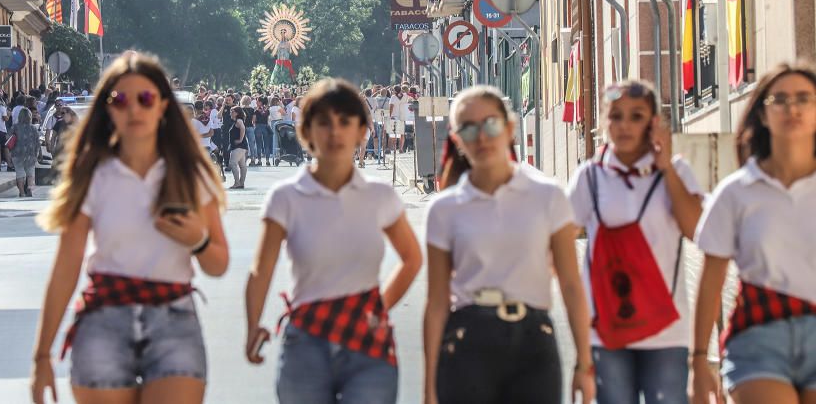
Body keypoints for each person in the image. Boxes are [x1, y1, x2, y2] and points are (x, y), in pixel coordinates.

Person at [30, 52, 229, 404]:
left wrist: (196, 239)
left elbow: (218, 264)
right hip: (104, 317)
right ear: (107, 109)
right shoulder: (92, 175)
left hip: (174, 319)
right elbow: (66, 267)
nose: (133, 109)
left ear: (163, 106)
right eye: (119, 99)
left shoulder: (191, 174)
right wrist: (42, 355)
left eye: (146, 98)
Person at [245, 79, 422, 403]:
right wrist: (253, 325)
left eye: (345, 122)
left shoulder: (379, 197)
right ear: (307, 132)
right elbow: (262, 269)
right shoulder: (285, 198)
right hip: (306, 339)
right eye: (323, 123)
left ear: (361, 131)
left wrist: (379, 308)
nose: (335, 132)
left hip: (369, 341)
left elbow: (412, 258)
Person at [424, 86, 594, 404]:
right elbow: (435, 302)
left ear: (509, 129)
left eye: (490, 124)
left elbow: (571, 284)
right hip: (466, 341)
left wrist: (584, 362)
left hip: (532, 342)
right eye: (469, 128)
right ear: (458, 139)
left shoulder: (548, 196)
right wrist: (429, 386)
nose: (482, 137)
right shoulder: (444, 209)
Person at [568, 80, 702, 404]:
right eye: (616, 116)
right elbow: (559, 243)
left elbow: (696, 228)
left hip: (667, 332)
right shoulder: (589, 177)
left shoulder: (677, 171)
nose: (625, 125)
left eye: (636, 116)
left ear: (654, 122)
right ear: (604, 121)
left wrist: (665, 167)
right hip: (606, 330)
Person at [692, 63, 816, 404]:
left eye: (804, 98)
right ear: (763, 114)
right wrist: (700, 360)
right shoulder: (735, 192)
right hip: (759, 337)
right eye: (780, 99)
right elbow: (710, 282)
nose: (792, 108)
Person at [10, 107, 39, 198]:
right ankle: (29, 189)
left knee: (20, 173)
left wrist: (9, 155)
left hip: (17, 153)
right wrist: (37, 154)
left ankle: (22, 192)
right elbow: (37, 142)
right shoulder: (33, 128)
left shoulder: (14, 127)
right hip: (30, 154)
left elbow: (8, 140)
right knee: (30, 173)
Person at [228, 106, 249, 190]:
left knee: (233, 163)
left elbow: (243, 129)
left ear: (237, 113)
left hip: (239, 146)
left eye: (232, 111)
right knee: (242, 165)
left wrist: (240, 139)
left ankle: (237, 183)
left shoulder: (239, 120)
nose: (231, 113)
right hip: (241, 146)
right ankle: (241, 183)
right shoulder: (237, 121)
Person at [254, 96, 272, 166]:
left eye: (257, 101)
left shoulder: (256, 110)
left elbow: (254, 120)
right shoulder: (267, 110)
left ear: (261, 102)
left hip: (258, 127)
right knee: (266, 145)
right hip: (265, 127)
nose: (256, 102)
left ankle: (259, 161)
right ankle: (267, 161)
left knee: (259, 145)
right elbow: (267, 118)